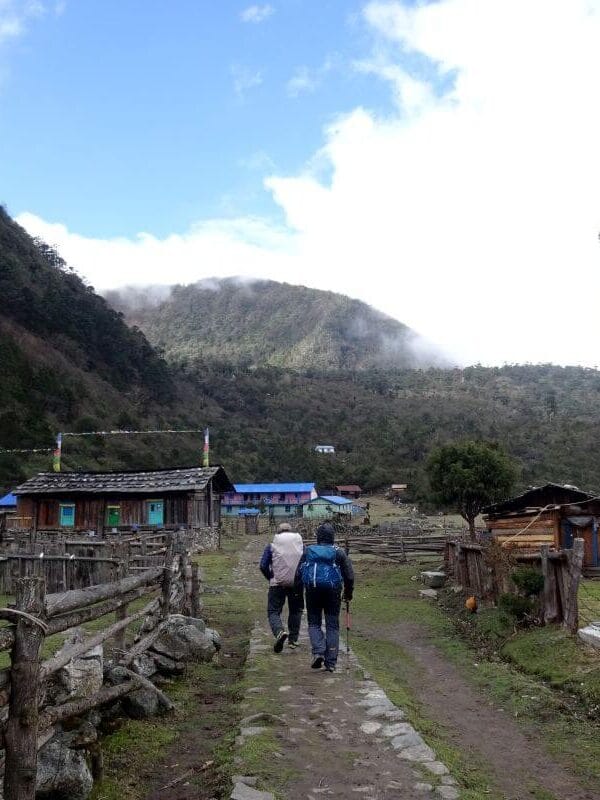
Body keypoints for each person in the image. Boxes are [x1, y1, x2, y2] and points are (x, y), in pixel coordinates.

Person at [298, 522, 354, 672]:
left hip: (312, 590)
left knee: (314, 623)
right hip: (333, 591)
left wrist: (298, 591)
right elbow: (349, 575)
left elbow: (299, 572)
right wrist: (348, 593)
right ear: (332, 537)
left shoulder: (308, 551)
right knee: (332, 625)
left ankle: (318, 652)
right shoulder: (339, 552)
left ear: (318, 537)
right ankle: (331, 662)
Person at [259, 522, 304, 652]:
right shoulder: (300, 545)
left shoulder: (272, 546)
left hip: (277, 584)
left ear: (278, 533)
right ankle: (293, 640)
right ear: (291, 532)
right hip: (296, 584)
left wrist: (271, 577)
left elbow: (263, 565)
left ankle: (279, 632)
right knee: (296, 610)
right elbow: (305, 561)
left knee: (273, 611)